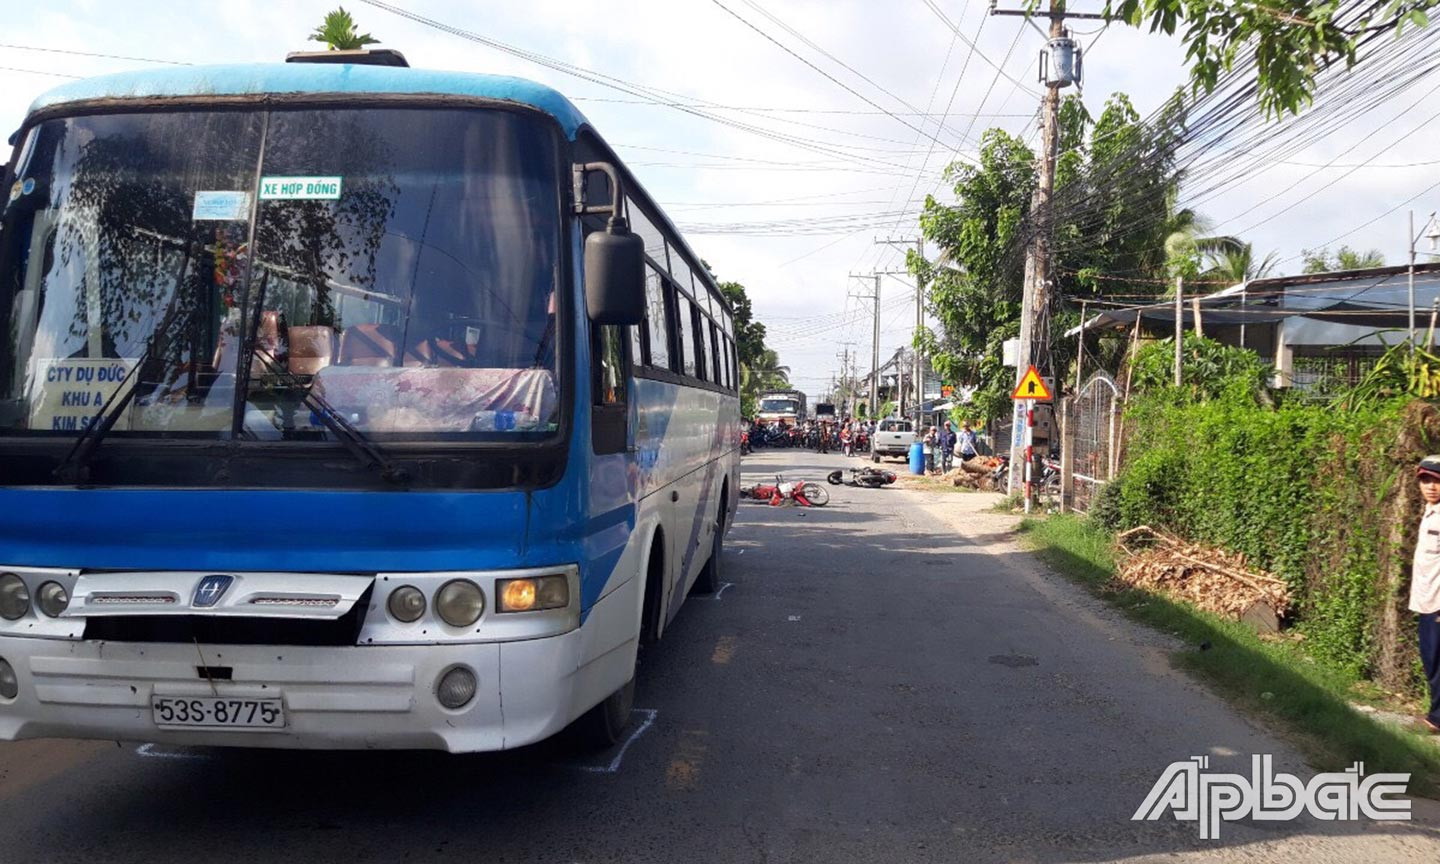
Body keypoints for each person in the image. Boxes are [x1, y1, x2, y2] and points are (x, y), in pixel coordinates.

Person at [1413, 456, 1440, 734]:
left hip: (1438, 604)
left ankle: (1437, 718)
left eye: (1436, 481)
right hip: (1427, 599)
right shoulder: (1430, 510)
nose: (1431, 487)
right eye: (1425, 480)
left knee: (1436, 660)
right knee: (1431, 659)